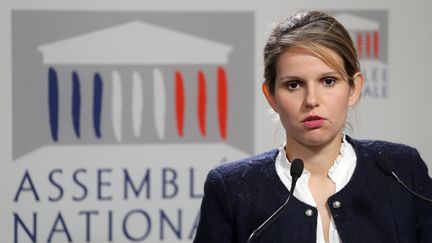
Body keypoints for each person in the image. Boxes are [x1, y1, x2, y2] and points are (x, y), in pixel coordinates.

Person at [193, 10, 432, 243]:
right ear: (271, 96)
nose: (311, 100)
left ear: (354, 88)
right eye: (294, 85)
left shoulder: (402, 170)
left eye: (328, 81)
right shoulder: (231, 188)